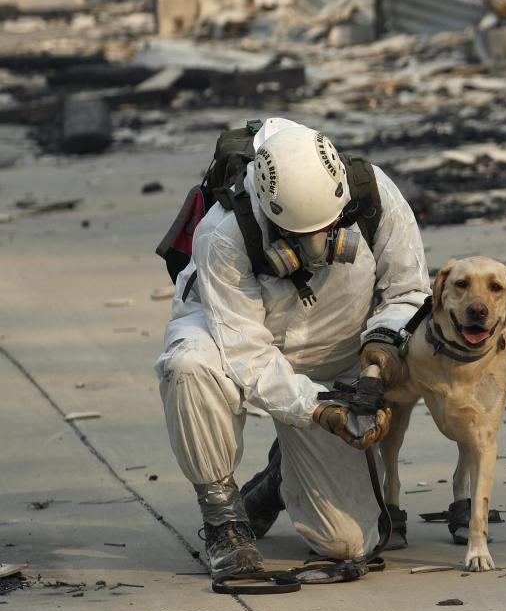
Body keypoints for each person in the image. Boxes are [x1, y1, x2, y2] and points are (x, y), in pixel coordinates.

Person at [154, 118, 428, 579]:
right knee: (187, 364)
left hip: (338, 360)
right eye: (299, 237)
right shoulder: (224, 232)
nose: (319, 249)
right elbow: (248, 356)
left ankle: (280, 479)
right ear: (268, 210)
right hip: (231, 342)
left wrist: (377, 356)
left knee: (348, 543)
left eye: (328, 228)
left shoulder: (374, 193)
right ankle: (223, 516)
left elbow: (409, 292)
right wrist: (319, 412)